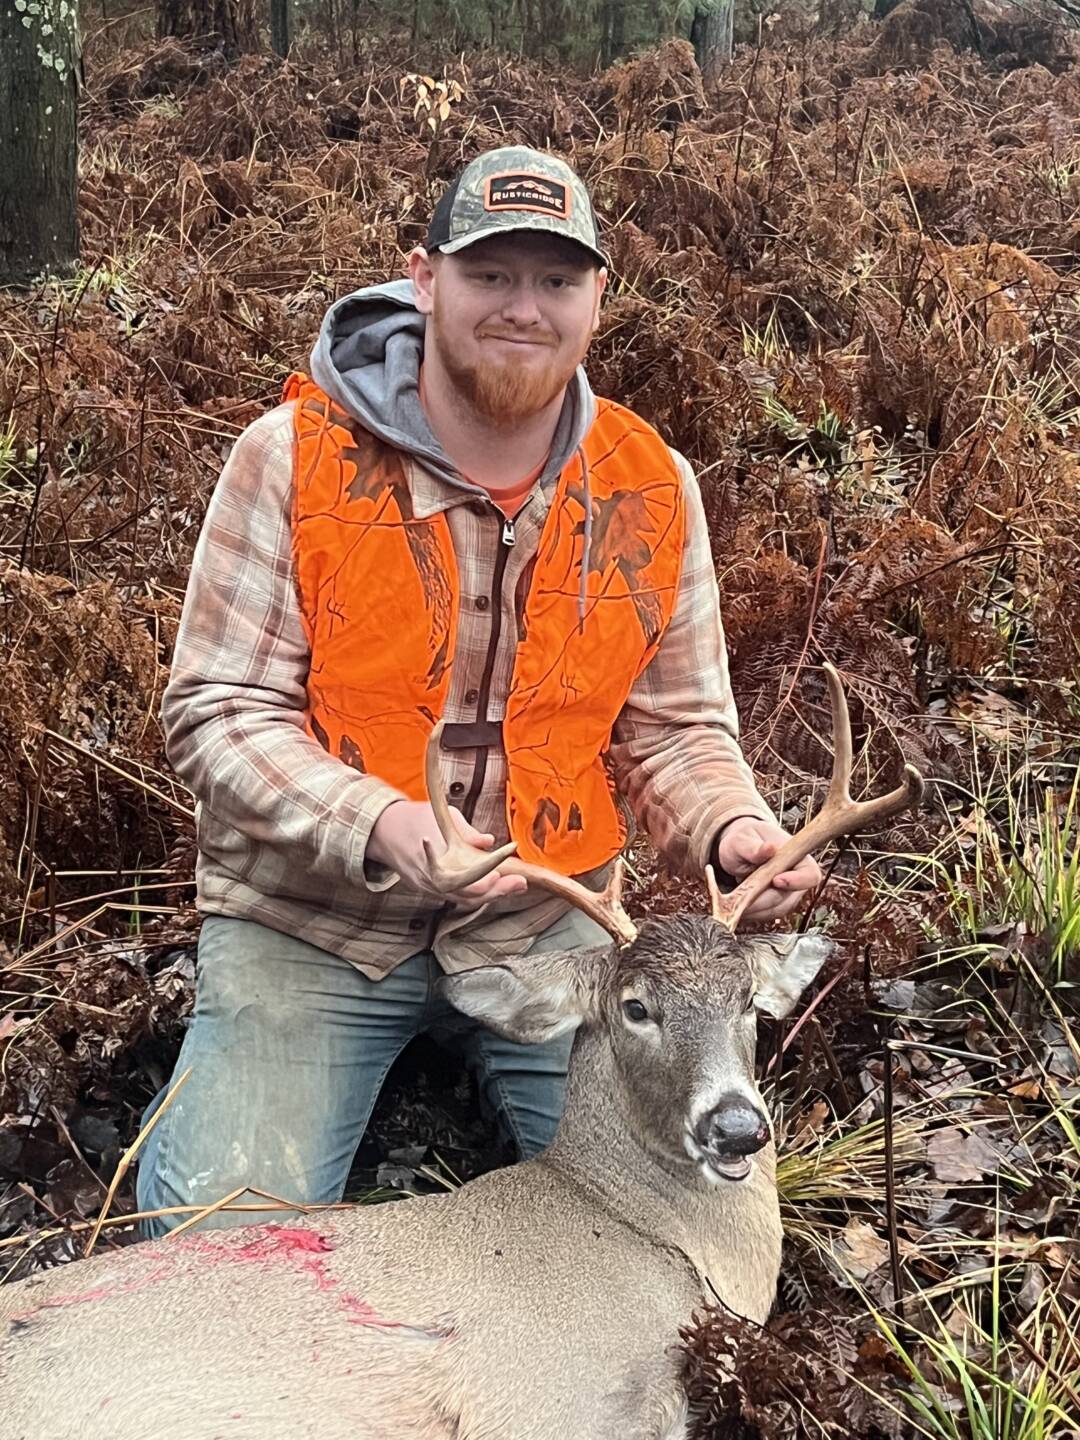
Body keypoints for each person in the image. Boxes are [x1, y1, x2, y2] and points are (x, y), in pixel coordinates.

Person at [135, 146, 822, 1235]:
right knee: (218, 1245)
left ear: (596, 298)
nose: (523, 308)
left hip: (551, 935)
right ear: (424, 279)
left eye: (556, 280)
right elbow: (219, 711)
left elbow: (677, 728)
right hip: (314, 925)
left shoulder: (649, 488)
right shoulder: (295, 460)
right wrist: (381, 823)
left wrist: (731, 829)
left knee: (694, 1209)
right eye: (490, 274)